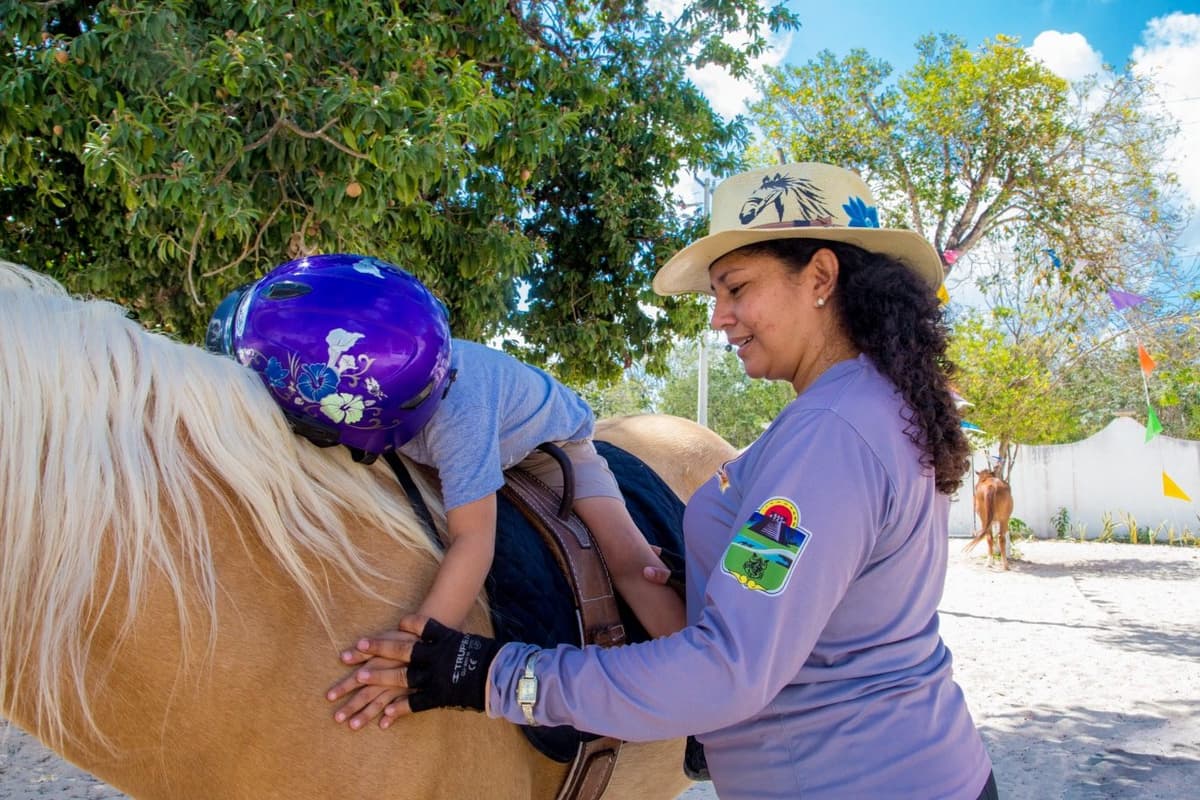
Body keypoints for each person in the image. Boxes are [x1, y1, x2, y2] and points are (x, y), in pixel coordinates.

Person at [325, 164, 1000, 799]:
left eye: (737, 288)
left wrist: (489, 675)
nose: (718, 317)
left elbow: (725, 672)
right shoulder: (865, 407)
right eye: (717, 295)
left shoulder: (833, 433)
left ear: (820, 275)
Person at [206, 253, 685, 660]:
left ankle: (707, 687)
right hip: (448, 431)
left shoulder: (460, 419)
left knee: (630, 562)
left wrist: (421, 643)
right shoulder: (400, 369)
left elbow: (474, 542)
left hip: (549, 446)